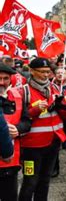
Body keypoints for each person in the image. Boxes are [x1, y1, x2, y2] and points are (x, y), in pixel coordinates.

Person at [19, 58, 66, 201]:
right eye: (42, 72)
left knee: (45, 180)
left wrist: (63, 107)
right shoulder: (23, 91)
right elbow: (18, 118)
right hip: (31, 146)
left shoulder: (54, 88)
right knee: (30, 182)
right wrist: (34, 110)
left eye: (48, 72)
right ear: (32, 71)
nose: (46, 75)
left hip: (53, 142)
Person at [0, 63, 30, 201]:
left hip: (10, 163)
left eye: (6, 78)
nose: (2, 82)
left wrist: (18, 129)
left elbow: (27, 122)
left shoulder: (17, 96)